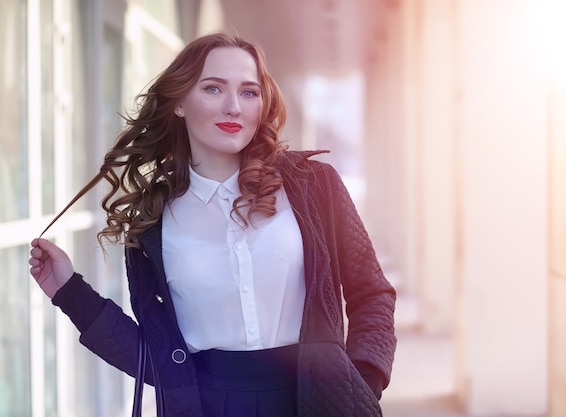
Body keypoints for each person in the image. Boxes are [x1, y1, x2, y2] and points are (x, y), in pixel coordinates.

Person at [29, 32, 396, 417]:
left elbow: (372, 294)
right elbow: (157, 358)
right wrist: (69, 292)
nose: (234, 107)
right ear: (180, 103)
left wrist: (362, 384)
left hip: (317, 404)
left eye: (249, 92)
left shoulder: (314, 187)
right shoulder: (152, 222)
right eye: (214, 88)